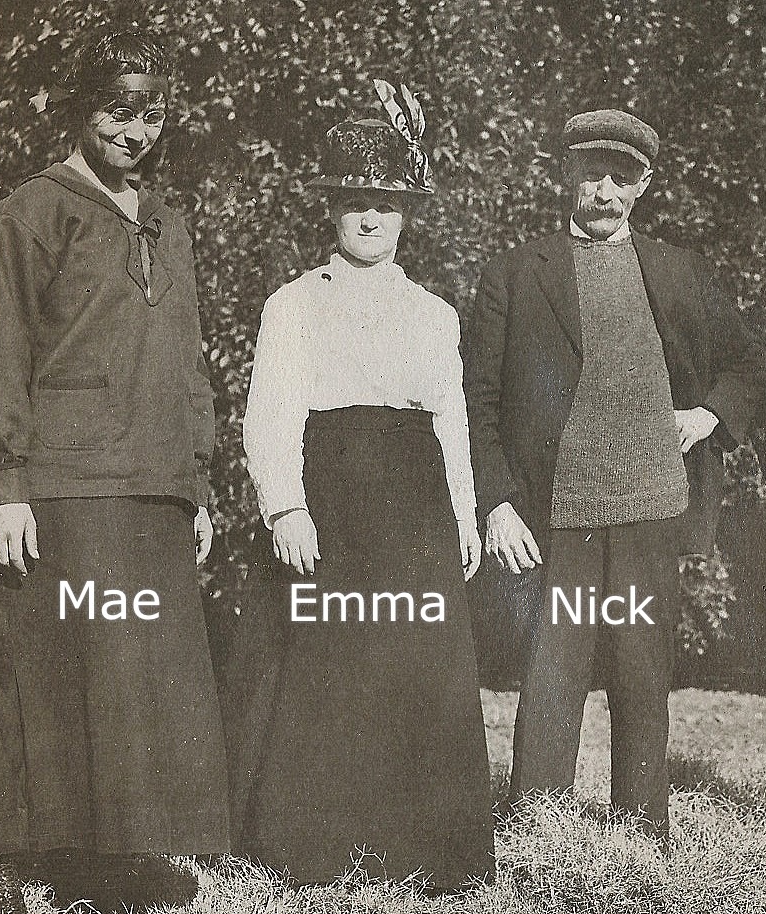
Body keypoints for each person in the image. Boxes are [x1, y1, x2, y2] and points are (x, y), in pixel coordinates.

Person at [0, 29, 227, 914]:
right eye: (116, 111)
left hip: (154, 486)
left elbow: (189, 362)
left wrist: (197, 483)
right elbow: (6, 355)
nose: (134, 130)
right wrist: (5, 486)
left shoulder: (169, 223)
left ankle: (119, 857)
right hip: (64, 484)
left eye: (151, 113)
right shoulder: (31, 214)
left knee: (134, 683)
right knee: (45, 673)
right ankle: (18, 858)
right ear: (82, 108)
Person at [463, 109, 766, 842]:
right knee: (553, 674)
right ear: (565, 176)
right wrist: (497, 503)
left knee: (641, 675)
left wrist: (708, 416)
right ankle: (538, 832)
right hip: (555, 516)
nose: (604, 191)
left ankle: (642, 832)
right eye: (591, 173)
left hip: (651, 508)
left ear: (644, 184)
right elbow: (476, 401)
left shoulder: (679, 272)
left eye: (621, 177)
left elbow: (748, 364)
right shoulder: (516, 274)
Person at [228, 79, 494, 893]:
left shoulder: (435, 314)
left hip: (415, 509)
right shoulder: (292, 306)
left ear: (406, 212)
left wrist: (464, 518)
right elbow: (271, 414)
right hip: (330, 501)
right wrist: (286, 505)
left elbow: (451, 421)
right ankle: (315, 849)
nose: (369, 219)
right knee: (329, 666)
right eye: (353, 203)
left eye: (384, 203)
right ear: (331, 211)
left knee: (414, 670)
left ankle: (422, 852)